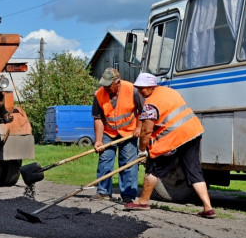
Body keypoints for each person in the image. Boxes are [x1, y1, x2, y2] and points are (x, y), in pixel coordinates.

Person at [124, 73, 216, 219]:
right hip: (193, 133)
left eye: (142, 89)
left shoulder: (150, 104)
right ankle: (208, 207)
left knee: (153, 167)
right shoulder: (170, 92)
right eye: (138, 89)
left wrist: (142, 150)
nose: (140, 92)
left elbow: (146, 131)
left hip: (175, 138)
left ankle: (143, 202)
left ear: (151, 86)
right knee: (194, 171)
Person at [91, 68, 144, 203]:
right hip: (109, 132)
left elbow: (143, 111)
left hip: (129, 132)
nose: (106, 88)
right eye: (104, 85)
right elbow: (98, 118)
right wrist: (98, 141)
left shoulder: (132, 90)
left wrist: (138, 127)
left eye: (109, 85)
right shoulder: (99, 94)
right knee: (105, 160)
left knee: (128, 164)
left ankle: (128, 195)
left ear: (118, 82)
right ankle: (103, 192)